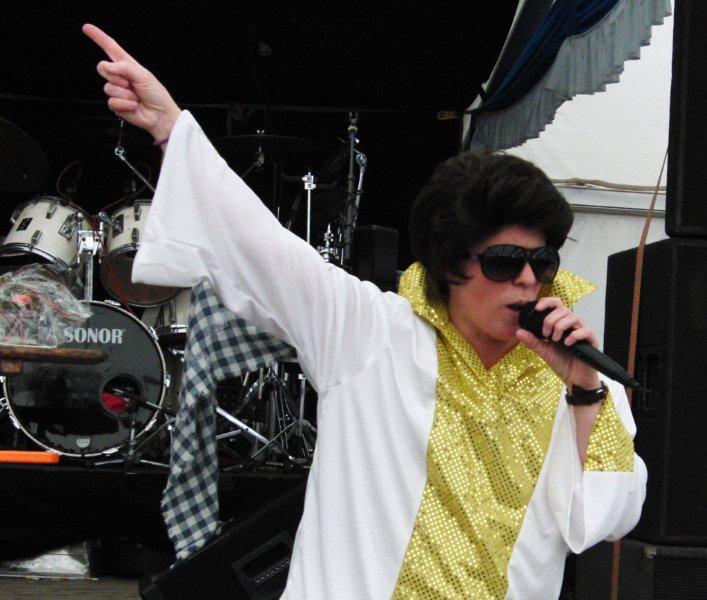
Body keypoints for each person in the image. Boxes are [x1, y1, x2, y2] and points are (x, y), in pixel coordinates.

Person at [82, 24, 647, 600]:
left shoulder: (575, 379)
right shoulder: (369, 332)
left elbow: (605, 520)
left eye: (542, 262)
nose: (528, 279)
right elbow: (258, 245)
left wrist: (585, 390)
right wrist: (169, 126)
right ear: (452, 264)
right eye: (505, 262)